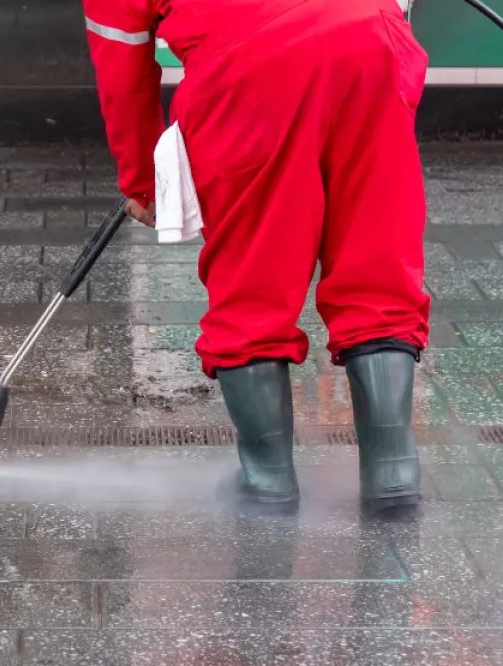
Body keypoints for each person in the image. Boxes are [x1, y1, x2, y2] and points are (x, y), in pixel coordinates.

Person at [82, 0, 431, 509]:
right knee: (375, 253)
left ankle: (267, 478)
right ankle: (393, 469)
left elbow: (122, 58)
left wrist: (141, 177)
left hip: (249, 68)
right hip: (370, 43)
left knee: (253, 272)